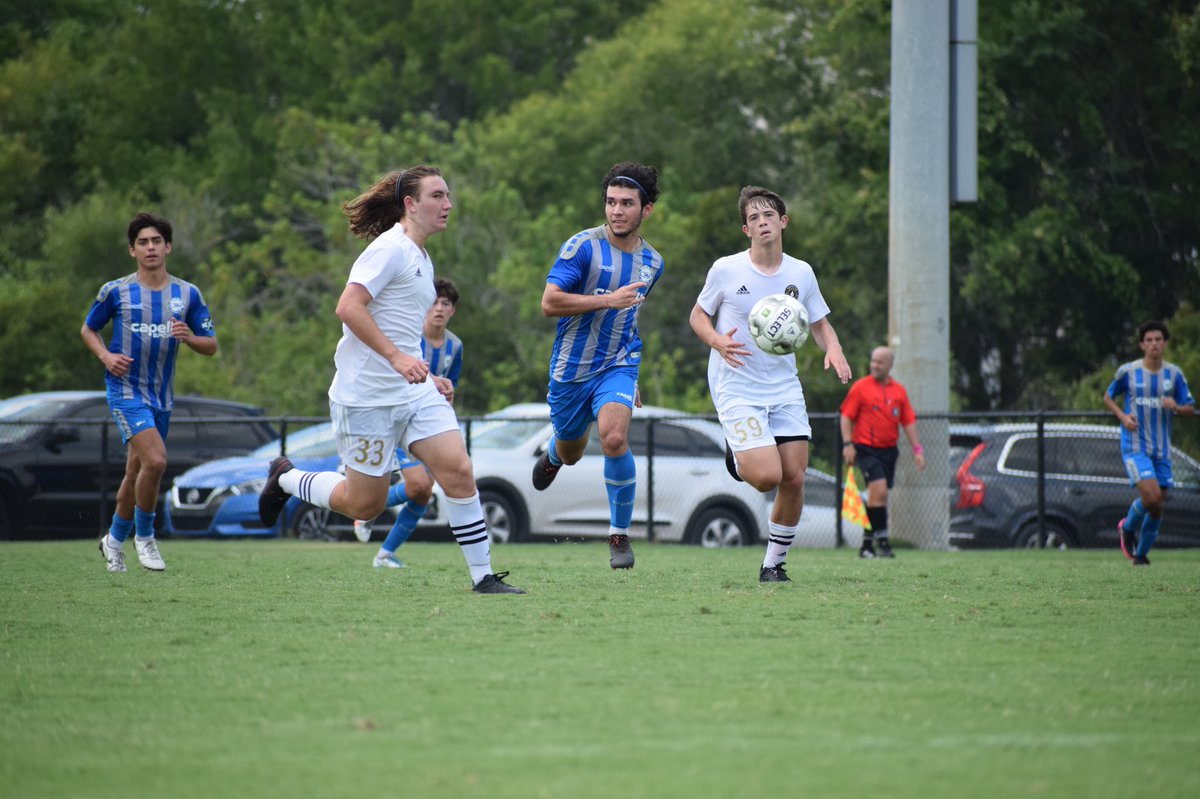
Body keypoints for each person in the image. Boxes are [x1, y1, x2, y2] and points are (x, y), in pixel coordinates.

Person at [257, 166, 523, 594]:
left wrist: (428, 374)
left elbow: (399, 326)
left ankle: (483, 577)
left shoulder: (420, 255)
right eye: (438, 196)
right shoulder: (390, 249)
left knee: (457, 469)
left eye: (448, 195)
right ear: (411, 204)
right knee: (365, 503)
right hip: (366, 398)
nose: (448, 204)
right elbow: (348, 307)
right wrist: (397, 358)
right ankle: (286, 477)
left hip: (413, 393)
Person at [689, 185, 852, 583]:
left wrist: (834, 349)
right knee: (766, 476)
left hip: (782, 385)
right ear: (746, 230)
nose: (762, 222)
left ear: (783, 222)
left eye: (768, 216)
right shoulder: (726, 269)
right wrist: (716, 341)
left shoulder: (801, 273)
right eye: (754, 218)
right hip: (737, 384)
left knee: (794, 476)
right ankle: (738, 451)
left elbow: (819, 323)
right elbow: (698, 316)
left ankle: (773, 565)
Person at [530, 162, 664, 570]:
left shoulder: (653, 263)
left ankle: (618, 535)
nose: (616, 211)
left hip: (618, 364)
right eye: (610, 202)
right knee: (572, 450)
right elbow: (549, 303)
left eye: (626, 203)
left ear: (647, 210)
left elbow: (629, 318)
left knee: (614, 437)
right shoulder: (582, 247)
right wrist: (607, 298)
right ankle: (554, 451)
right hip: (571, 369)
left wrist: (629, 376)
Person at [83, 212, 218, 572]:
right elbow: (88, 329)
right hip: (125, 390)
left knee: (137, 471)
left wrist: (190, 338)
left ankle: (112, 540)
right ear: (132, 251)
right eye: (142, 242)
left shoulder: (187, 294)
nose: (151, 247)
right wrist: (106, 356)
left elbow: (211, 344)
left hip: (162, 396)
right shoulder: (116, 291)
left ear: (168, 246)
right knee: (157, 461)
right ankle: (145, 537)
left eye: (156, 241)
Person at [356, 277, 463, 569]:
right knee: (418, 486)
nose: (439, 308)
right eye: (434, 302)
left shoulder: (455, 346)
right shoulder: (409, 339)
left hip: (428, 423)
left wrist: (449, 391)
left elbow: (450, 385)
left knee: (422, 494)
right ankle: (367, 509)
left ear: (452, 310)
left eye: (446, 303)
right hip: (401, 420)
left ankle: (384, 555)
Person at [1104, 320, 1195, 566]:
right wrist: (1123, 417)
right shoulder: (1129, 372)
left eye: (1158, 340)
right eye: (1149, 340)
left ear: (1164, 344)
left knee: (1157, 506)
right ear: (1142, 344)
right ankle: (1127, 526)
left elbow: (1190, 407)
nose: (1154, 344)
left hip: (1162, 450)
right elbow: (1108, 396)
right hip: (1135, 446)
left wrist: (1176, 406)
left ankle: (1141, 556)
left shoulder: (1174, 374)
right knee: (1152, 496)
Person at [839, 346, 926, 559]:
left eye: (880, 362)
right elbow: (846, 416)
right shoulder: (861, 387)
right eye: (873, 361)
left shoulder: (899, 391)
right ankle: (871, 545)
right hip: (866, 450)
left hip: (889, 451)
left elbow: (908, 421)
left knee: (881, 498)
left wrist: (918, 450)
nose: (875, 365)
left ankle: (877, 544)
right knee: (879, 492)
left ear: (890, 365)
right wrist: (848, 444)